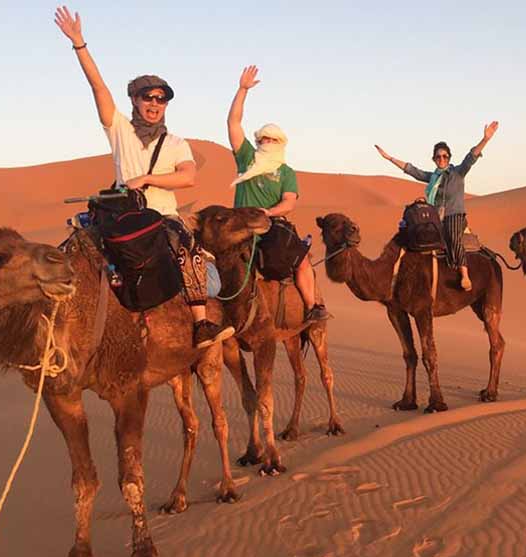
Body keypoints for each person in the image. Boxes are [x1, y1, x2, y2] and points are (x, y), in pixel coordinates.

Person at [54, 6, 234, 348]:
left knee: (193, 260)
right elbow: (98, 87)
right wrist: (79, 44)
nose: (154, 103)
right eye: (147, 97)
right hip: (123, 217)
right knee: (74, 255)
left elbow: (188, 177)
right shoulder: (119, 130)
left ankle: (201, 326)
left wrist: (148, 179)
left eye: (160, 99)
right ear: (134, 101)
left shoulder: (176, 143)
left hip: (162, 217)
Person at [226, 66, 330, 323]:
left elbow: (289, 202)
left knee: (301, 260)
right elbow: (233, 123)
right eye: (263, 139)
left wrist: (268, 213)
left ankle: (312, 306)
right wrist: (242, 90)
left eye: (272, 140)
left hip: (271, 226)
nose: (267, 143)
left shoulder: (286, 172)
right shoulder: (247, 158)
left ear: (281, 143)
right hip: (240, 226)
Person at [375, 121, 499, 291]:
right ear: (434, 159)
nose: (441, 159)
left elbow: (471, 158)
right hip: (436, 218)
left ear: (449, 158)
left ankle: (464, 275)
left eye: (445, 156)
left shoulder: (457, 173)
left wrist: (485, 139)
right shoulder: (433, 177)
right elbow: (413, 171)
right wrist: (389, 158)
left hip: (454, 216)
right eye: (438, 157)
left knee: (452, 237)